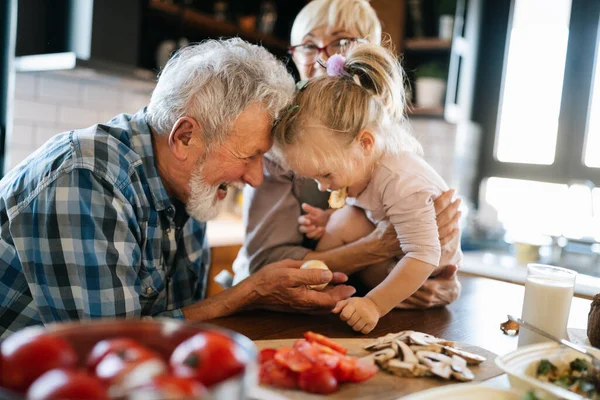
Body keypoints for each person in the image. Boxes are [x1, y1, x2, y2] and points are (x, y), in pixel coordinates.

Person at [0, 38, 356, 339]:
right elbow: (112, 349)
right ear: (185, 137)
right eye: (249, 156)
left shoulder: (190, 183)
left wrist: (256, 296)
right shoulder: (86, 178)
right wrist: (247, 293)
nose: (255, 178)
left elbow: (177, 324)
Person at [233, 0, 462, 309]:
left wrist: (430, 281)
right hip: (281, 306)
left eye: (342, 42)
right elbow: (265, 263)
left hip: (351, 301)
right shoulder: (281, 143)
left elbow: (424, 250)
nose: (326, 58)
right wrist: (379, 247)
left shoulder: (387, 147)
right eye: (309, 45)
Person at [271, 43, 463, 334]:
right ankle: (321, 291)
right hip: (398, 254)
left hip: (425, 270)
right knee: (341, 218)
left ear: (364, 143)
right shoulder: (365, 166)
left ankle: (332, 294)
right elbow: (373, 210)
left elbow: (422, 255)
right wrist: (327, 221)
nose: (323, 187)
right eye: (315, 179)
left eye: (325, 174)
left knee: (348, 230)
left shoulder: (402, 181)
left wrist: (373, 304)